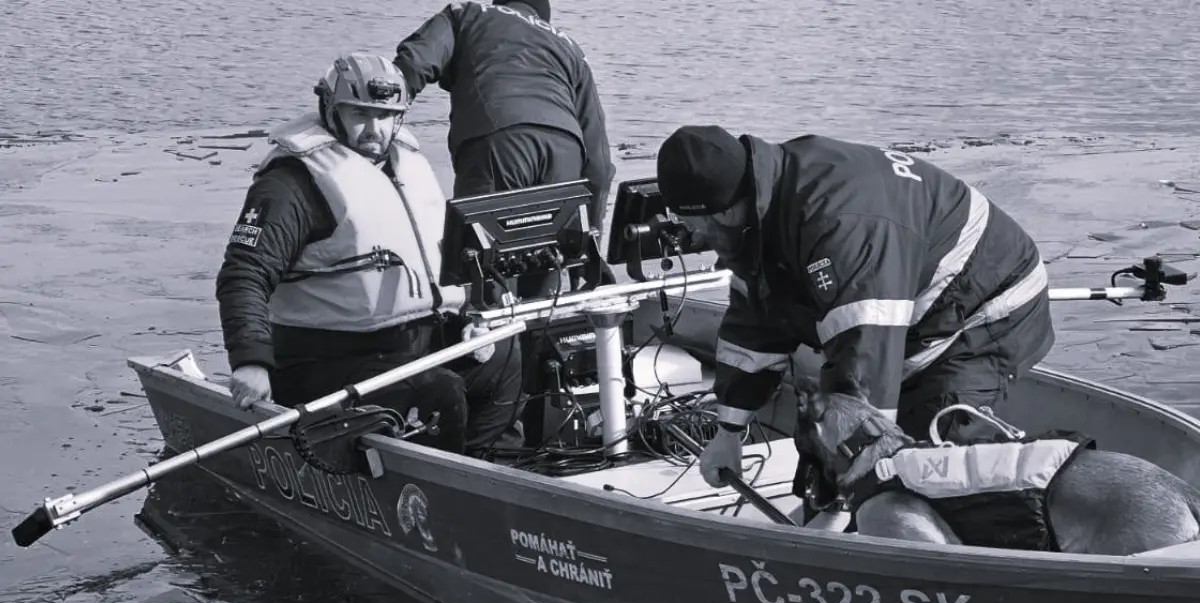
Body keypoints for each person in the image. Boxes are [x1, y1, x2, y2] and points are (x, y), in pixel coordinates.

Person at [653, 125, 1055, 491]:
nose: (690, 234)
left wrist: (853, 490)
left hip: (983, 305)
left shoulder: (839, 225)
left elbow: (864, 374)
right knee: (839, 463)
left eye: (690, 222)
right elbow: (753, 332)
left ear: (723, 210)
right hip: (903, 306)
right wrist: (728, 435)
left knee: (923, 471)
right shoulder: (757, 213)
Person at [215, 52, 525, 458]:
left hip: (414, 344)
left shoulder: (407, 166)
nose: (374, 130)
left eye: (386, 115)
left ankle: (496, 475)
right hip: (326, 359)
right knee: (439, 393)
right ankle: (433, 497)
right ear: (330, 109)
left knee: (506, 357)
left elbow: (451, 261)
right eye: (359, 113)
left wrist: (473, 318)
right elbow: (243, 275)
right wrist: (251, 362)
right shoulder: (292, 184)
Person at [391, 0, 616, 297]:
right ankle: (537, 334)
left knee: (485, 275)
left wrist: (377, 123)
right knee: (545, 284)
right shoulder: (569, 47)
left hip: (499, 141)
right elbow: (599, 163)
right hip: (565, 154)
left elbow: (413, 65)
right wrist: (588, 245)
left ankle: (490, 335)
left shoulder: (466, 14)